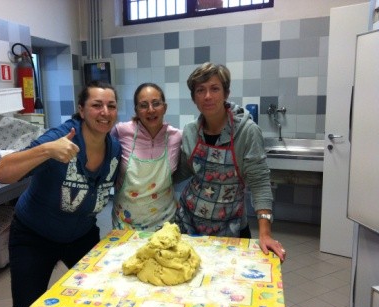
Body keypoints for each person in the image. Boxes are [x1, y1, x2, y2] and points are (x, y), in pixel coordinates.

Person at [0, 81, 121, 307]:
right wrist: (47, 150)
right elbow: (0, 172)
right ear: (82, 110)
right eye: (96, 105)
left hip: (82, 234)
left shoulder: (114, 148)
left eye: (111, 105)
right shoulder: (60, 138)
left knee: (90, 298)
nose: (105, 111)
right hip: (34, 236)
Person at [175, 62, 286, 262]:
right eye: (200, 90)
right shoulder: (191, 131)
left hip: (230, 228)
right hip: (188, 225)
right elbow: (183, 171)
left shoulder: (247, 131)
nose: (208, 96)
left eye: (214, 89)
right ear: (194, 98)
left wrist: (265, 233)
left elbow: (260, 183)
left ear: (226, 93)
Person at [111, 83, 182, 232]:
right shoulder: (121, 131)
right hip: (126, 222)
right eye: (143, 105)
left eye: (156, 103)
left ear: (165, 107)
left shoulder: (176, 136)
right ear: (136, 110)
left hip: (165, 222)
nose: (151, 110)